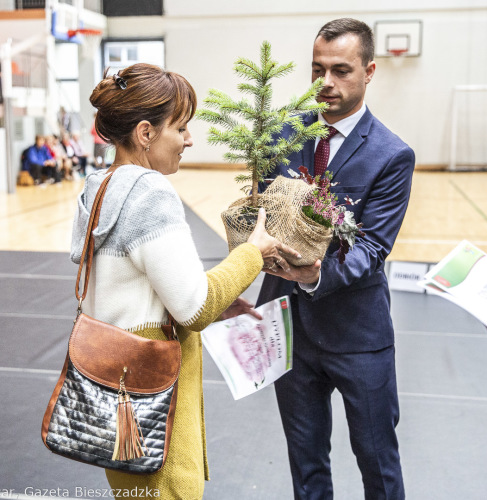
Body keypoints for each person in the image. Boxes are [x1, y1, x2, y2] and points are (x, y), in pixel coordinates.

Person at [70, 63, 300, 499]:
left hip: (112, 395)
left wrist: (218, 295)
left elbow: (136, 288)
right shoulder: (150, 193)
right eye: (181, 127)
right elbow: (194, 309)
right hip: (154, 402)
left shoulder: (97, 188)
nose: (190, 139)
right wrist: (254, 252)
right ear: (145, 134)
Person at [256, 18, 415, 500]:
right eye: (317, 69)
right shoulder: (280, 136)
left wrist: (314, 275)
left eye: (340, 70)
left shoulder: (392, 155)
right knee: (305, 465)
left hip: (357, 336)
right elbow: (259, 213)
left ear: (369, 72)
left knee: (378, 465)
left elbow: (372, 249)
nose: (325, 82)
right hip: (290, 331)